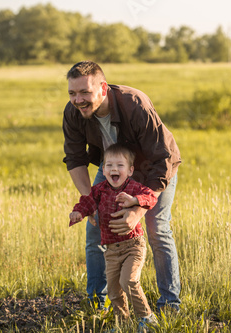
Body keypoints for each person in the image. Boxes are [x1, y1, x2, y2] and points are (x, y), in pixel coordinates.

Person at [62, 61, 182, 312]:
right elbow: (74, 158)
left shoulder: (134, 104)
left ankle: (169, 304)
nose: (78, 99)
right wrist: (91, 203)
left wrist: (138, 210)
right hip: (113, 169)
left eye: (85, 92)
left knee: (156, 228)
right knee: (95, 230)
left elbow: (162, 160)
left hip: (153, 168)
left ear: (103, 88)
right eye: (72, 93)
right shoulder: (73, 112)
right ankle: (98, 302)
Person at [69, 143, 159, 329]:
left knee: (129, 281)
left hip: (132, 246)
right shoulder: (99, 189)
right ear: (103, 169)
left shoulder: (134, 188)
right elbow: (87, 202)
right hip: (110, 251)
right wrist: (78, 212)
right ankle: (122, 324)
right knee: (114, 290)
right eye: (109, 165)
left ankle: (147, 318)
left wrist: (135, 201)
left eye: (120, 165)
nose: (114, 169)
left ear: (130, 170)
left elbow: (151, 197)